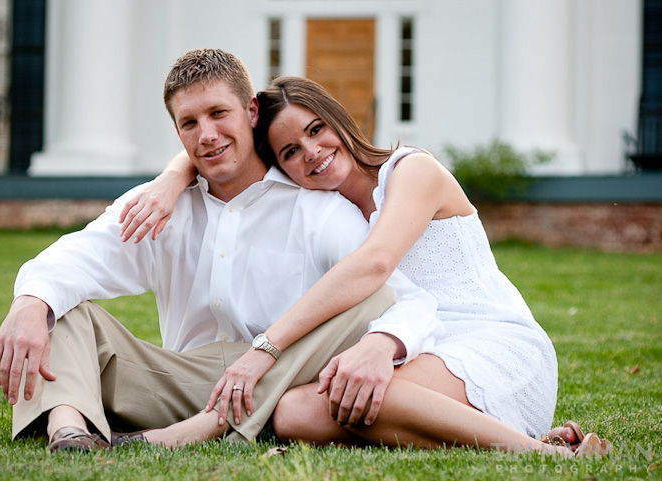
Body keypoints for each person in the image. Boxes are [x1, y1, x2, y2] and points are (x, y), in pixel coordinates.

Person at [120, 76, 613, 457]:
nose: (311, 153)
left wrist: (265, 349)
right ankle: (502, 433)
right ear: (279, 166)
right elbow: (221, 148)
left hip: (489, 343)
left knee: (335, 398)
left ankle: (539, 454)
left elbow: (375, 265)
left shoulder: (411, 170)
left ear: (339, 119)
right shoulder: (323, 214)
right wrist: (173, 174)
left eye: (317, 130)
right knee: (294, 410)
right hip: (416, 347)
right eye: (290, 151)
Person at [0, 50, 439, 453]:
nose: (206, 135)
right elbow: (79, 256)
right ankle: (70, 431)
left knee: (373, 298)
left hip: (279, 379)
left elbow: (406, 300)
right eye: (189, 123)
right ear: (178, 132)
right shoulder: (158, 206)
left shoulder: (318, 211)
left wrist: (383, 345)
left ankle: (204, 427)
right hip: (175, 381)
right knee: (57, 302)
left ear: (250, 111)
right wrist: (29, 303)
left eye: (218, 113)